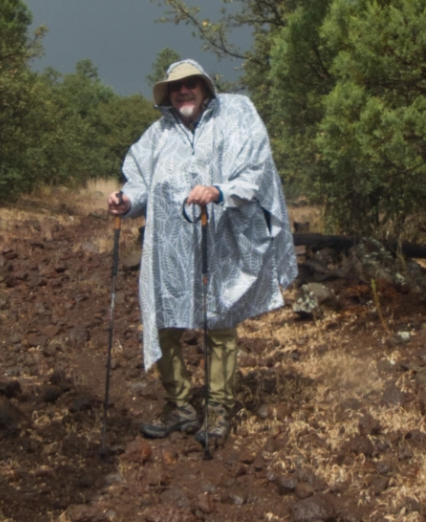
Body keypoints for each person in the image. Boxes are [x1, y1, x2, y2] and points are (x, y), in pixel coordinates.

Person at [107, 59, 296, 445]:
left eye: (190, 84)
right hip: (169, 252)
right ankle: (180, 406)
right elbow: (140, 184)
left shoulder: (236, 119)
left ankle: (218, 410)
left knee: (220, 325)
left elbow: (255, 174)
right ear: (168, 96)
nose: (182, 91)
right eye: (175, 88)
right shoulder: (157, 136)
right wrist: (126, 200)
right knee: (165, 325)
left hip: (220, 242)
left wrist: (219, 191)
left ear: (205, 87)